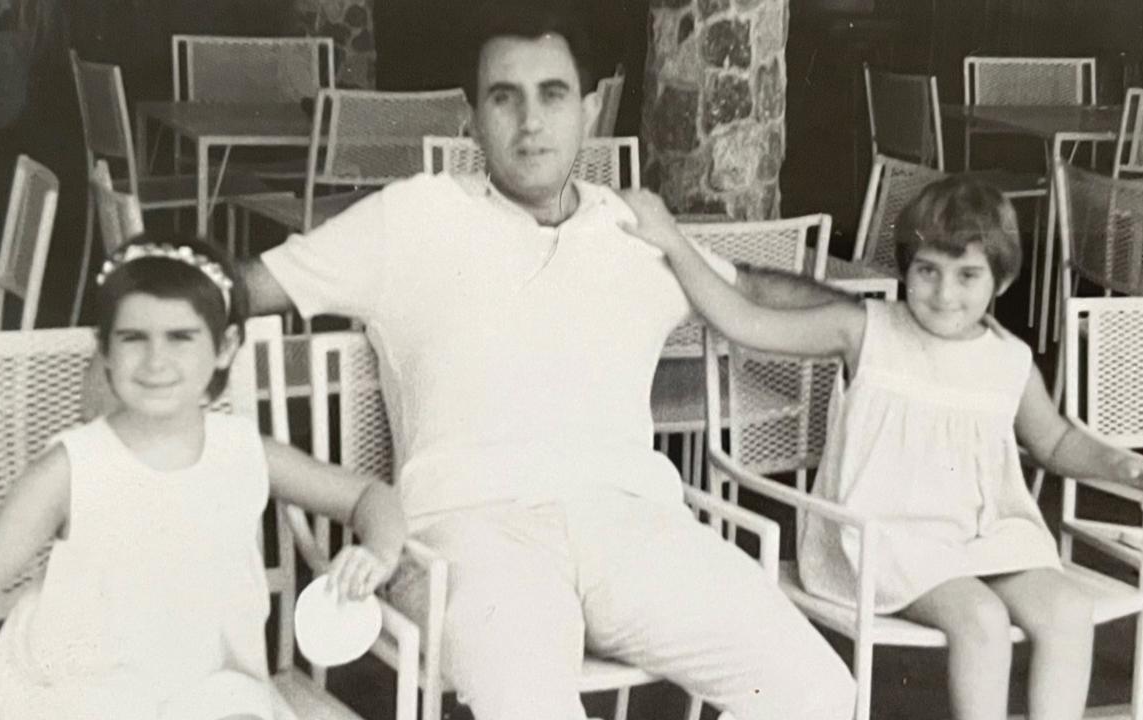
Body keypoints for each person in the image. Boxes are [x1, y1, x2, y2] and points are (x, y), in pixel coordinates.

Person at [238, 2, 857, 719]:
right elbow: (242, 288)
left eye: (552, 94)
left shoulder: (634, 230)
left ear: (590, 110)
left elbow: (748, 291)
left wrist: (871, 322)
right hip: (471, 535)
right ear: (471, 116)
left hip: (633, 524)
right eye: (504, 97)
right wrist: (135, 309)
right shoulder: (411, 217)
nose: (530, 121)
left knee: (816, 691)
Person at [621, 174, 1143, 720]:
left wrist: (1118, 464)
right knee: (980, 620)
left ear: (1000, 283)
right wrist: (672, 239)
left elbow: (1053, 440)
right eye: (927, 271)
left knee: (1069, 609)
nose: (944, 293)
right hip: (885, 536)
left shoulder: (1009, 360)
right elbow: (745, 321)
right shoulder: (866, 331)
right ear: (906, 267)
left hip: (984, 532)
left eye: (967, 275)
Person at [0, 237, 407, 720]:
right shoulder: (72, 468)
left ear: (224, 346)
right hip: (84, 696)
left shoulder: (243, 452)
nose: (155, 361)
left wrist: (378, 551)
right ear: (105, 348)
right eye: (133, 338)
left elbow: (369, 495)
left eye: (180, 337)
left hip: (210, 692)